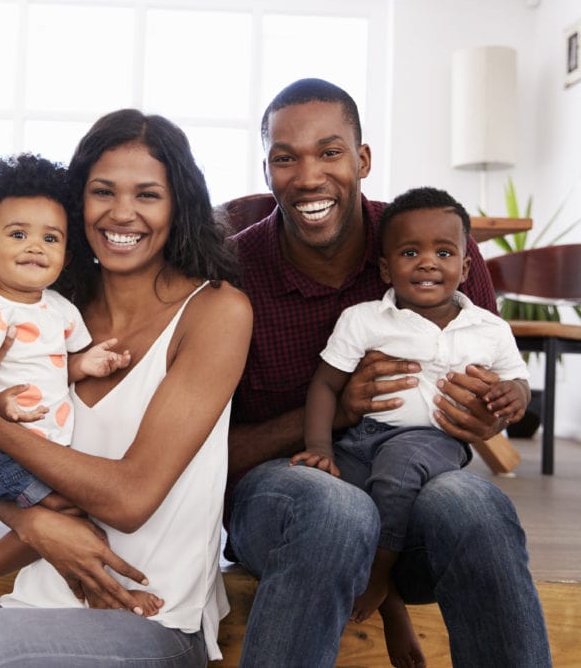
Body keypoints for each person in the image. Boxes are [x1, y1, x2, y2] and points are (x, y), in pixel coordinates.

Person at [0, 108, 252, 667]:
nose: (122, 213)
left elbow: (129, 499)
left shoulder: (216, 312)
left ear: (179, 206)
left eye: (148, 194)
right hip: (35, 603)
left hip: (151, 617)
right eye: (103, 191)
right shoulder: (45, 310)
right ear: (77, 202)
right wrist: (31, 521)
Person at [225, 77, 551, 667]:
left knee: (474, 504)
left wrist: (479, 412)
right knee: (336, 509)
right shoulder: (233, 270)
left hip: (411, 499)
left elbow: (478, 402)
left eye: (330, 152)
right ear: (266, 169)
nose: (308, 176)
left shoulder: (435, 245)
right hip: (276, 500)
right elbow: (198, 452)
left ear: (363, 159)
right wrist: (337, 410)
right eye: (285, 158)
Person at [292, 186, 531, 667]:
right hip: (362, 441)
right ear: (386, 269)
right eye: (409, 252)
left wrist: (513, 398)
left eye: (443, 252)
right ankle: (393, 606)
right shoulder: (363, 320)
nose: (427, 263)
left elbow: (517, 382)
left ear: (465, 268)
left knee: (399, 470)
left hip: (434, 442)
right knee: (341, 501)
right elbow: (324, 385)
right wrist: (322, 449)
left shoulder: (488, 328)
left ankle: (380, 579)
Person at [0, 152, 158, 615]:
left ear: (65, 255)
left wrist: (84, 365)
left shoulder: (58, 310)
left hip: (32, 443)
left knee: (76, 515)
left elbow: (49, 368)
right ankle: (104, 596)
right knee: (76, 514)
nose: (35, 246)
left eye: (50, 238)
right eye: (18, 235)